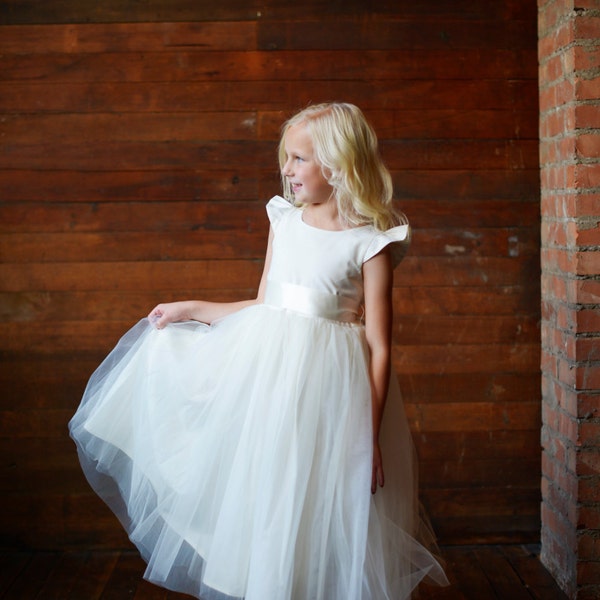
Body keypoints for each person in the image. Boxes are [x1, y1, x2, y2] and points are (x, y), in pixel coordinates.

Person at [69, 102, 448, 599]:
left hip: (330, 399)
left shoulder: (369, 243)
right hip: (269, 385)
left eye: (299, 159)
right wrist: (193, 307)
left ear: (338, 165)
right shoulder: (285, 220)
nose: (286, 170)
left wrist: (369, 434)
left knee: (317, 502)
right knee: (269, 496)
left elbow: (378, 347)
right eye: (286, 158)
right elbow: (267, 305)